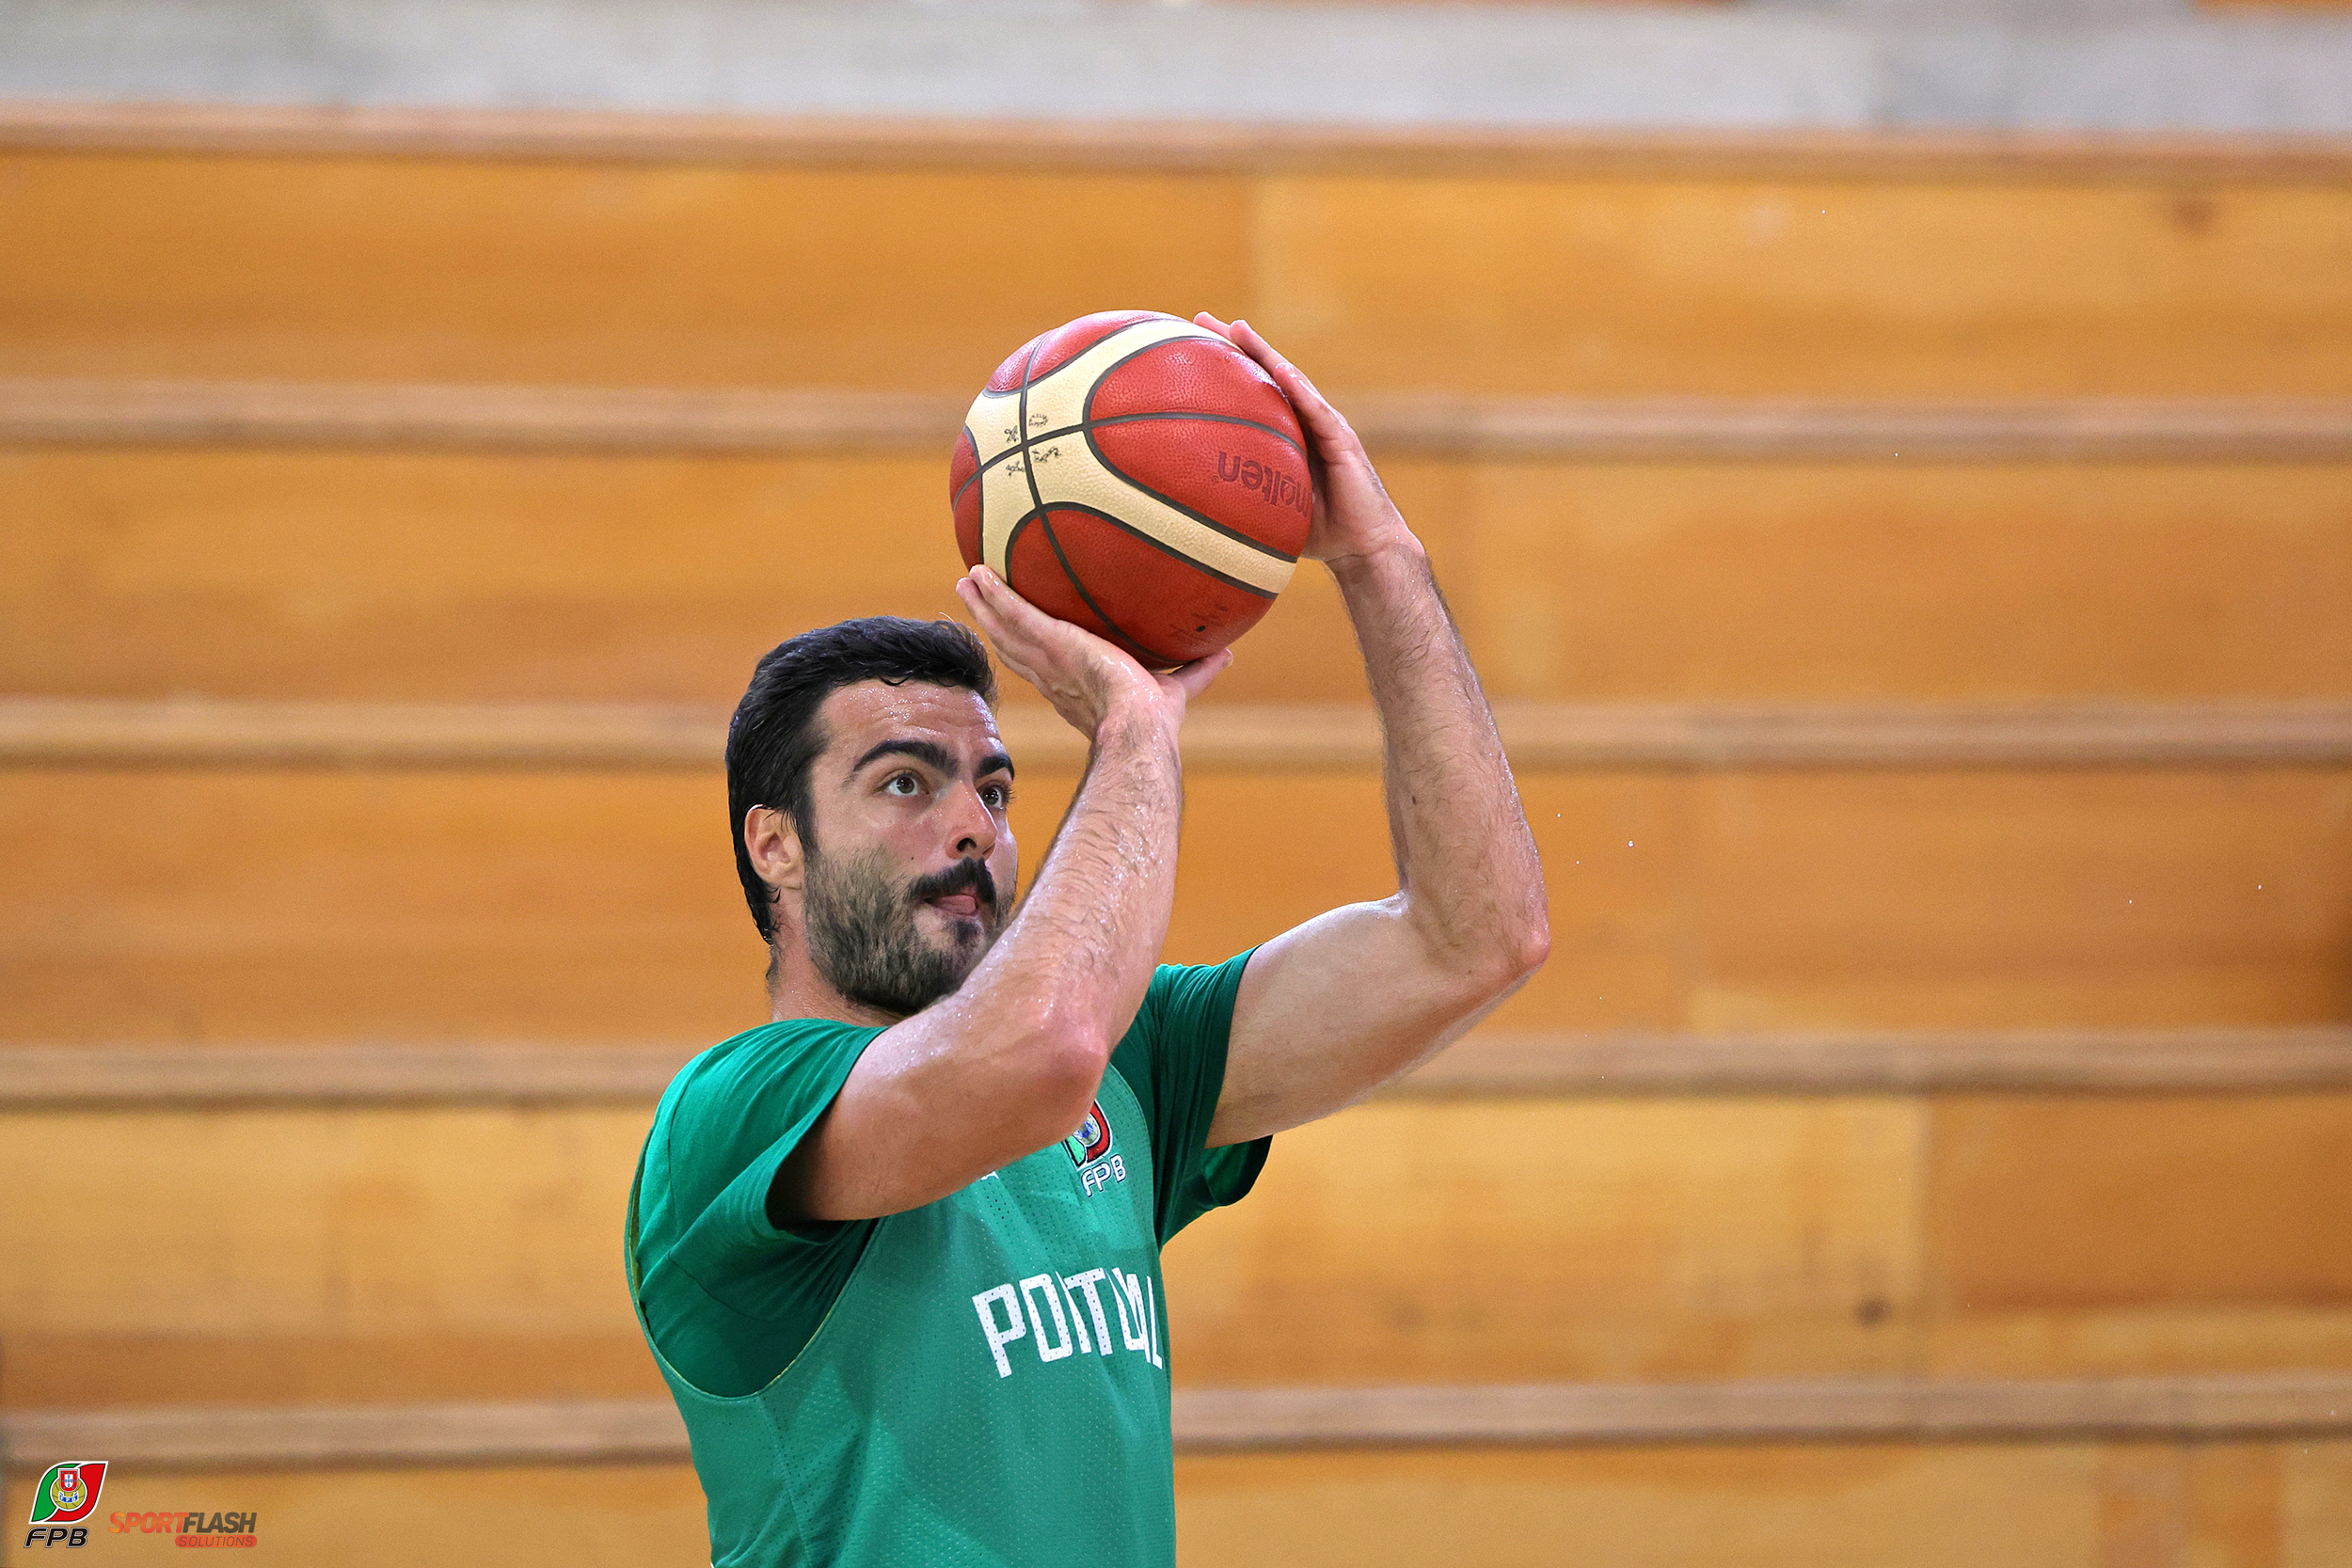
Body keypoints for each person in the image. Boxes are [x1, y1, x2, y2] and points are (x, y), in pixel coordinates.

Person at [625, 316, 1549, 1567]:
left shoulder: (1130, 1067)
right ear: (774, 847)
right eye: (905, 785)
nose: (971, 827)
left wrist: (1378, 558)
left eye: (995, 789)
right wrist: (1137, 729)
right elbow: (1042, 1046)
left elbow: (1478, 937)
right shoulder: (733, 1115)